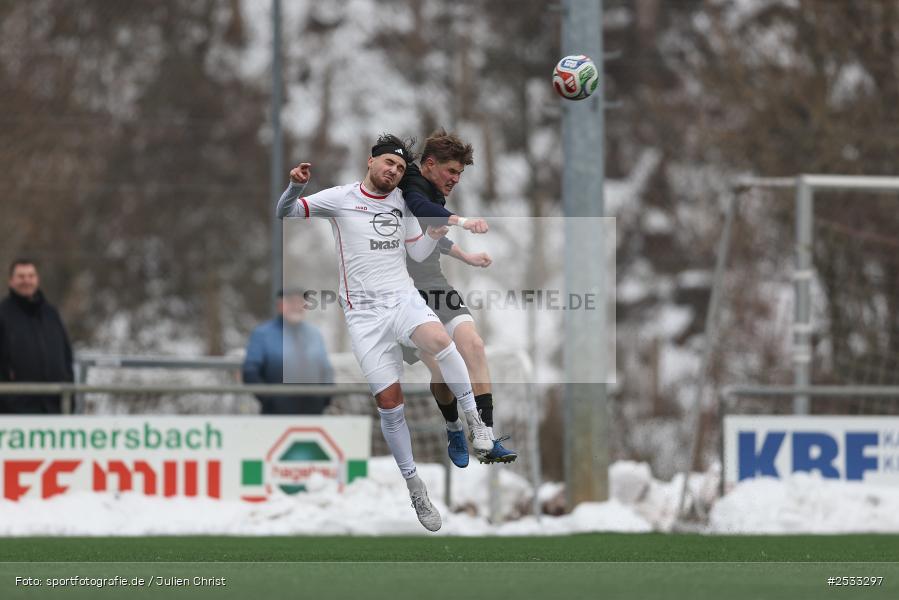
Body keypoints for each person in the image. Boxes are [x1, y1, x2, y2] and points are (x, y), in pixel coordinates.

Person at [276, 134, 493, 532]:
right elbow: (285, 213)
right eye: (388, 164)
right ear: (371, 162)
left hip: (402, 300)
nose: (393, 171)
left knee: (442, 342)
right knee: (390, 404)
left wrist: (433, 237)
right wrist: (296, 186)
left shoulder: (402, 203)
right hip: (364, 317)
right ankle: (415, 486)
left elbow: (417, 255)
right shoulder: (339, 198)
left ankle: (475, 422)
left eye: (399, 167)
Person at [399, 129, 517, 467]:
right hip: (403, 293)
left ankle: (486, 435)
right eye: (452, 171)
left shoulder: (434, 193)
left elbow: (429, 235)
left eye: (460, 174)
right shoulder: (411, 184)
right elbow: (422, 212)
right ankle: (453, 426)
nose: (456, 179)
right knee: (441, 366)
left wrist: (465, 256)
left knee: (474, 346)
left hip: (434, 283)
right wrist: (463, 221)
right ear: (430, 164)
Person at [242, 287, 334, 414]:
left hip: (313, 409)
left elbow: (326, 370)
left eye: (300, 302)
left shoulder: (314, 334)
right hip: (276, 411)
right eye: (291, 302)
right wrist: (268, 399)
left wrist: (325, 398)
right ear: (280, 305)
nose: (296, 306)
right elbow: (250, 371)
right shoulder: (263, 334)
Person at [0, 259, 74, 414]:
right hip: (15, 412)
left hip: (54, 408)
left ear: (37, 279)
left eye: (30, 276)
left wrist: (69, 396)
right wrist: (8, 400)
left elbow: (66, 357)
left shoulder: (51, 313)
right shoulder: (3, 314)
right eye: (21, 276)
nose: (26, 280)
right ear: (11, 280)